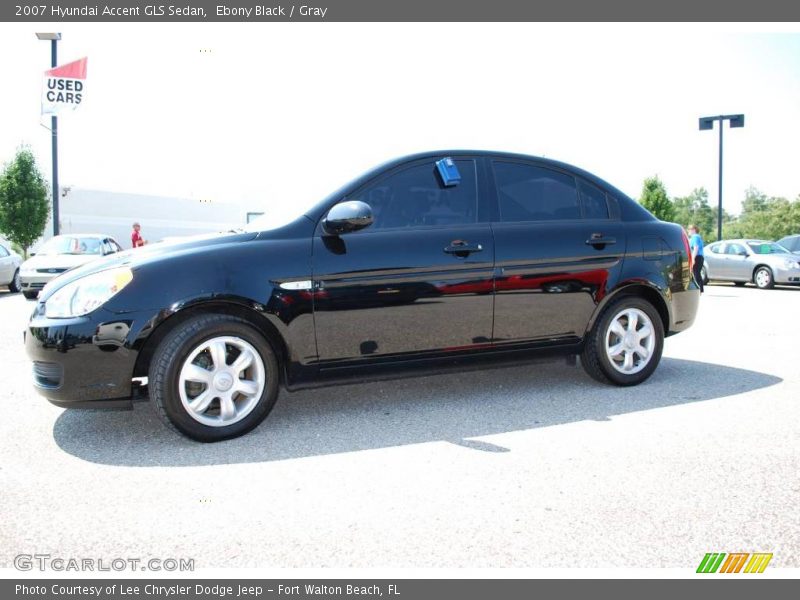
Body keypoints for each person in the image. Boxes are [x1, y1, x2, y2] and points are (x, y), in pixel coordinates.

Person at [688, 224, 704, 293]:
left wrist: (693, 258)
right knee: (696, 273)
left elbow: (695, 248)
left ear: (694, 230)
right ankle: (700, 289)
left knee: (696, 273)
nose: (688, 231)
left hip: (697, 257)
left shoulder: (695, 237)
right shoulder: (694, 237)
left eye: (689, 229)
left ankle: (698, 289)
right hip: (698, 257)